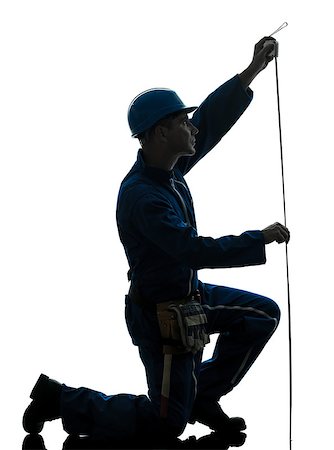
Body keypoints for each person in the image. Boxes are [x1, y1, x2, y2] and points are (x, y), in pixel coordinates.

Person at [23, 36, 289, 448]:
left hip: (191, 296)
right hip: (163, 317)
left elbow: (211, 120)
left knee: (260, 315)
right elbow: (193, 250)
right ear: (160, 133)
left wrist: (251, 70)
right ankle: (62, 399)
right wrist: (259, 239)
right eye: (183, 122)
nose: (192, 126)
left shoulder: (169, 168)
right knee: (167, 425)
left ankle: (204, 395)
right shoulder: (143, 198)